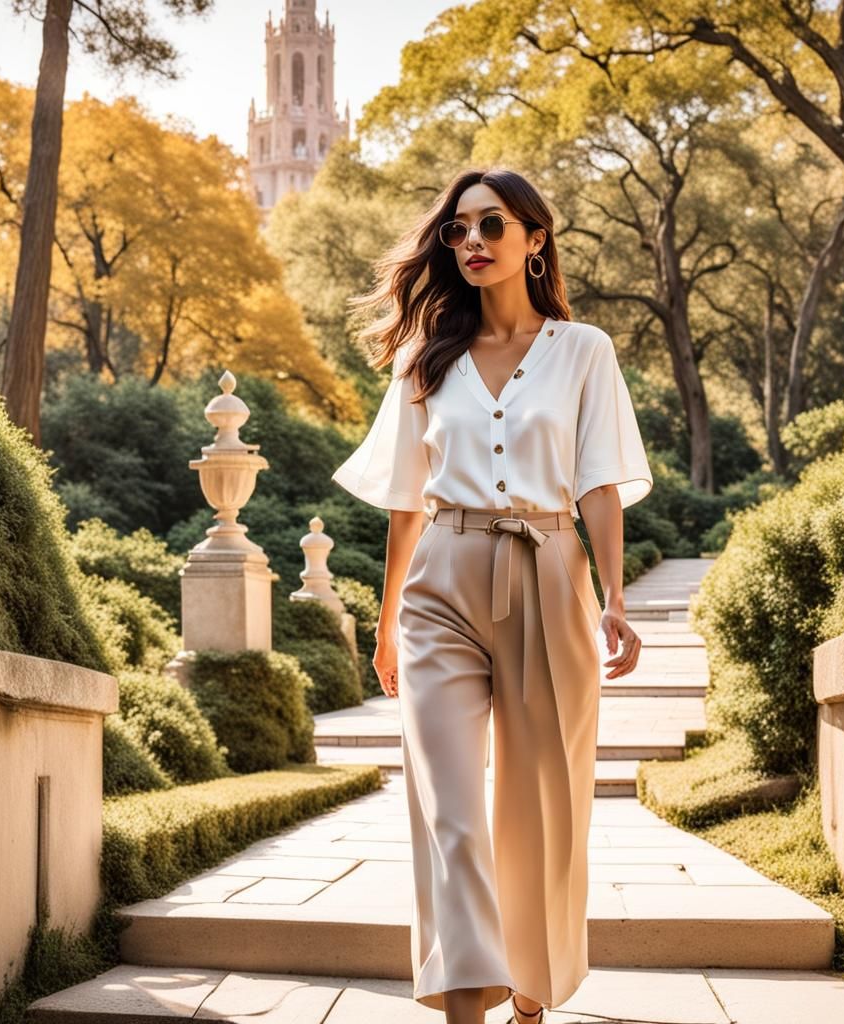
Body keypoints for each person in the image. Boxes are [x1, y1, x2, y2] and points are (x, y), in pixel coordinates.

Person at [330, 167, 653, 1024]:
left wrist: (614, 598)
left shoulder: (583, 351)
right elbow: (406, 501)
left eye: (492, 225)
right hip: (440, 580)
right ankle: (465, 1010)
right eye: (459, 229)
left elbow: (600, 486)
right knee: (450, 810)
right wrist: (387, 624)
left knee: (543, 802)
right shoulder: (424, 358)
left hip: (549, 572)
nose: (471, 241)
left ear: (535, 239)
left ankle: (531, 993)